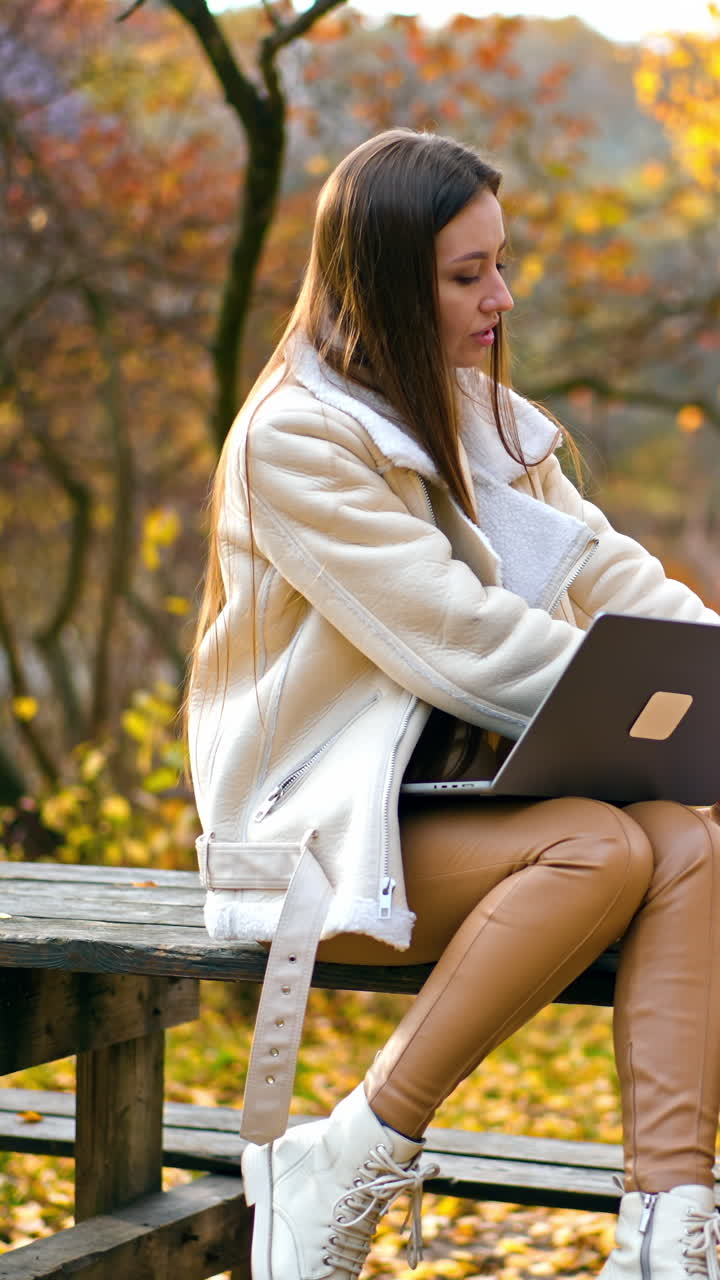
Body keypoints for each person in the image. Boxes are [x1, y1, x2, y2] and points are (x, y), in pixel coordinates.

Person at [187, 127, 720, 1280]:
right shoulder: (298, 439)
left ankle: (670, 1225)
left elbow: (612, 574)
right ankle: (349, 1150)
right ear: (384, 280)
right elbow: (463, 642)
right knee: (602, 845)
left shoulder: (479, 415)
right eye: (467, 274)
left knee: (684, 837)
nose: (502, 296)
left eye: (502, 262)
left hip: (447, 794)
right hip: (310, 829)